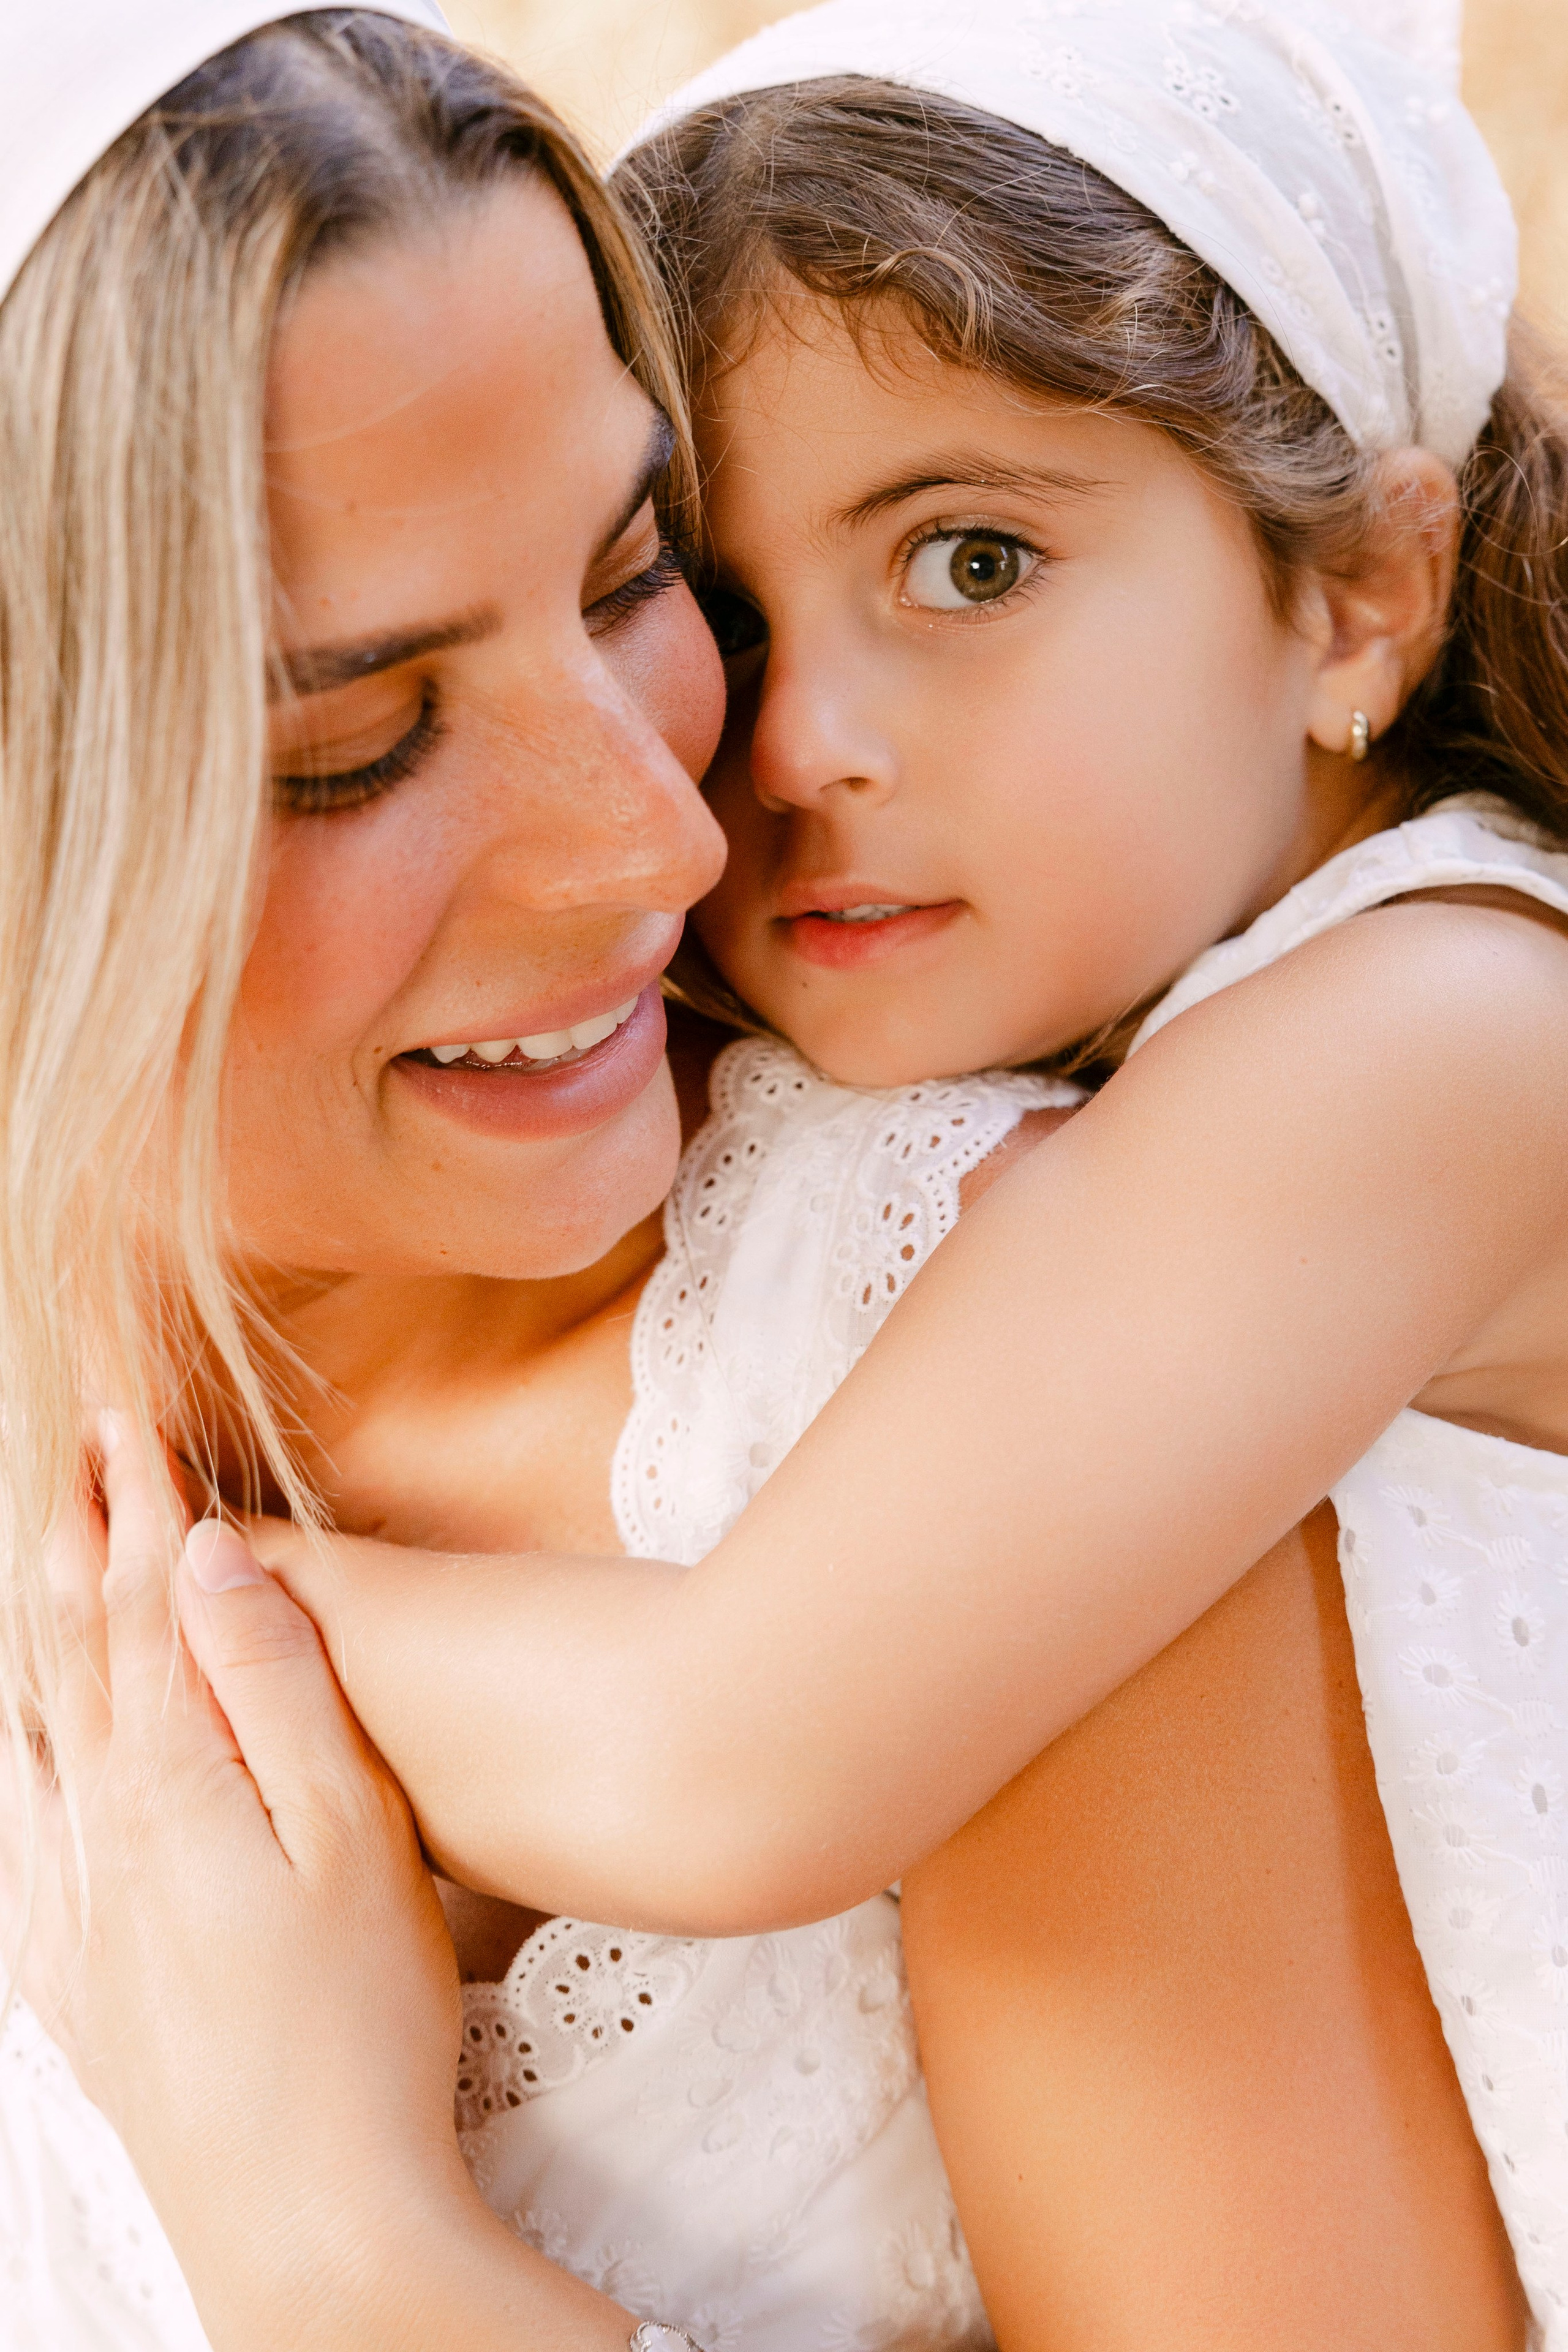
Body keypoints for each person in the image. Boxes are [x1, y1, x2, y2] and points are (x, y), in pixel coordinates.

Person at [0, 1, 1547, 2348]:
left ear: (1362, 589)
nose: (686, 810)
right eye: (359, 739)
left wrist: (336, 2251)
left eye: (626, 580)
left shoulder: (1166, 1209)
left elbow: (736, 1749)